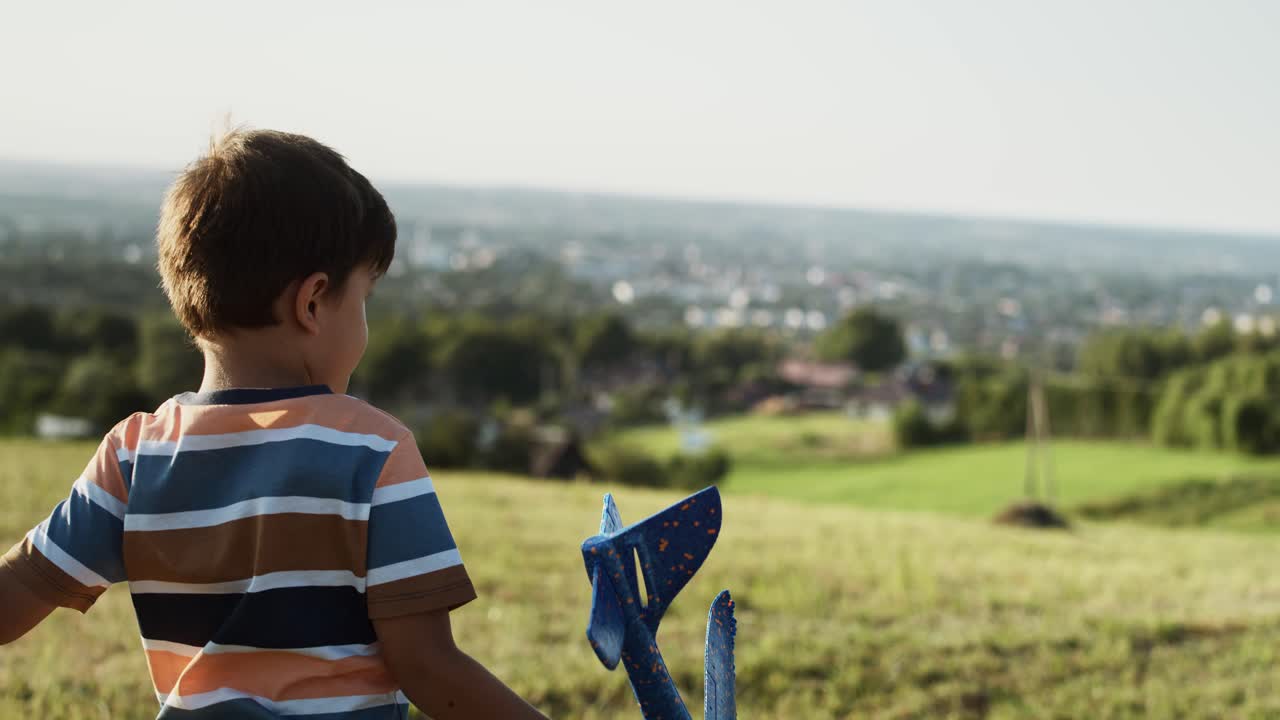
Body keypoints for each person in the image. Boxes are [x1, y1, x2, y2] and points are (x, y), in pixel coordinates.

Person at [0, 129, 550, 719]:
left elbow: (14, 598)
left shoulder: (135, 455)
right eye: (364, 297)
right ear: (313, 302)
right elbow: (428, 665)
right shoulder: (373, 451)